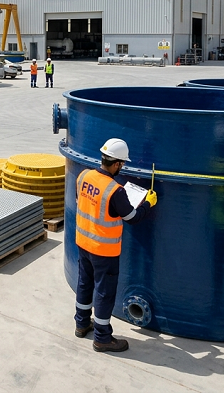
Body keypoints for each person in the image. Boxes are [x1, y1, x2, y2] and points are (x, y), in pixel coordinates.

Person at [74, 138, 158, 353]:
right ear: (118, 164)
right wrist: (148, 203)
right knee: (104, 292)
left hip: (83, 244)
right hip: (104, 251)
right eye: (123, 164)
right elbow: (132, 217)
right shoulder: (115, 190)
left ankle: (82, 323)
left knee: (85, 283)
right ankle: (102, 338)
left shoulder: (83, 176)